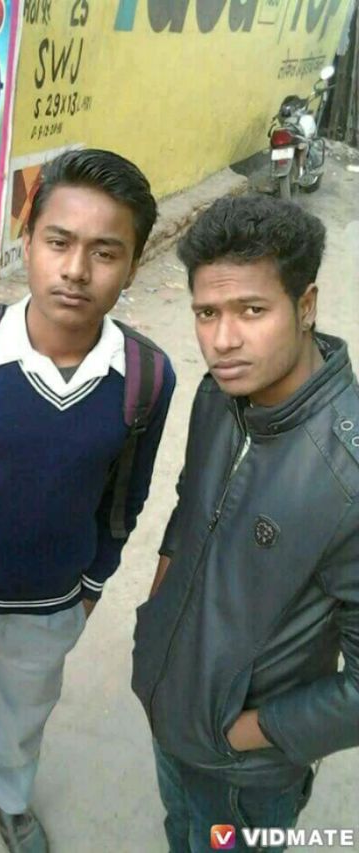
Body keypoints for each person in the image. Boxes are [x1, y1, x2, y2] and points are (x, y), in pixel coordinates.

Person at [0, 149, 176, 852]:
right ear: (27, 237)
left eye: (105, 251)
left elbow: (127, 495)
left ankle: (6, 795)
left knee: (24, 716)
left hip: (47, 606)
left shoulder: (144, 377)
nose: (76, 269)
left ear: (133, 264)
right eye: (59, 241)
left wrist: (91, 585)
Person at [132, 194, 359, 853]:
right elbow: (189, 505)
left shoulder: (346, 475)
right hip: (169, 712)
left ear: (306, 305)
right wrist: (154, 619)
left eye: (252, 310)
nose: (223, 340)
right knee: (180, 831)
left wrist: (240, 733)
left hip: (243, 774)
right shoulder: (219, 394)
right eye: (207, 312)